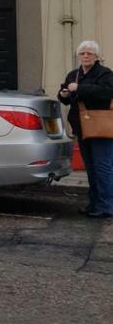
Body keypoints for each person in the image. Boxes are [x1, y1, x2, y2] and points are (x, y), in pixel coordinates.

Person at [58, 40, 113, 218]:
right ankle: (94, 203)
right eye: (83, 53)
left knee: (102, 167)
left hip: (100, 127)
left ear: (97, 56)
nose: (86, 56)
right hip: (81, 127)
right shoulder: (73, 74)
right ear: (78, 56)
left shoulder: (105, 73)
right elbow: (65, 97)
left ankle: (106, 206)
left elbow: (107, 92)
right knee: (90, 167)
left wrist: (80, 88)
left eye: (90, 53)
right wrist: (64, 94)